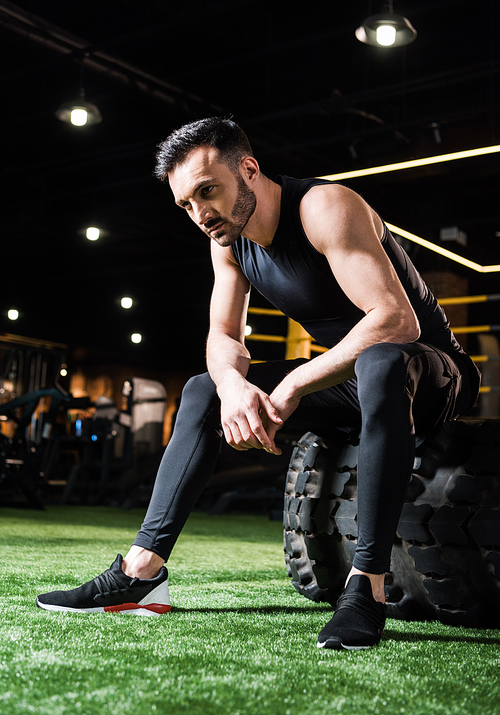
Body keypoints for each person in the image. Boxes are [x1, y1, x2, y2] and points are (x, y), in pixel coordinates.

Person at [36, 117, 480, 650]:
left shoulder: (324, 207)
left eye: (208, 192)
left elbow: (394, 321)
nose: (201, 215)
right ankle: (143, 571)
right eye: (186, 205)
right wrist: (232, 387)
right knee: (202, 388)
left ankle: (367, 589)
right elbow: (222, 337)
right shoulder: (227, 239)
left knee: (381, 361)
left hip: (431, 374)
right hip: (350, 381)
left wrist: (291, 386)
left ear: (248, 169)